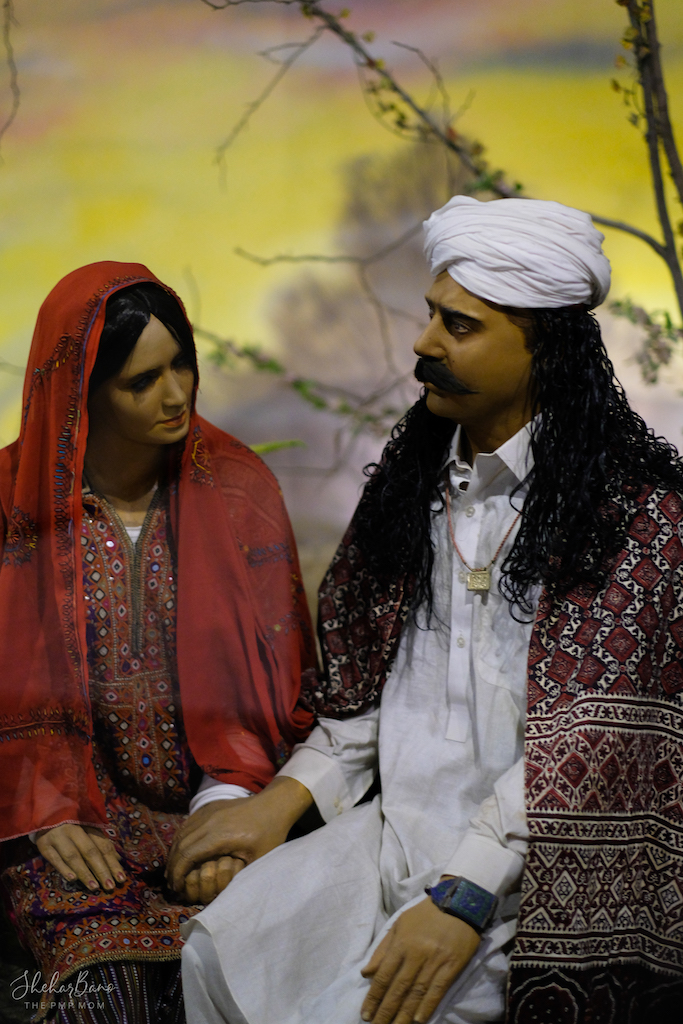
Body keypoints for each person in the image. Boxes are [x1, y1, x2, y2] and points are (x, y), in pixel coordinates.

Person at [178, 196, 683, 1024]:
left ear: (546, 349)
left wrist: (464, 895)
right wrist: (279, 802)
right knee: (217, 953)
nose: (424, 343)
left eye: (459, 325)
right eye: (429, 315)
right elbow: (364, 697)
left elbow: (591, 746)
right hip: (390, 835)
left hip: (528, 877)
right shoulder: (410, 486)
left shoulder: (633, 516)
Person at [0, 261, 315, 1023]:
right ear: (81, 391)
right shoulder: (11, 504)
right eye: (141, 381)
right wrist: (41, 806)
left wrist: (226, 812)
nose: (175, 395)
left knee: (255, 969)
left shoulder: (238, 489)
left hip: (224, 804)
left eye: (182, 365)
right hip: (66, 821)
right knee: (109, 986)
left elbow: (281, 687)